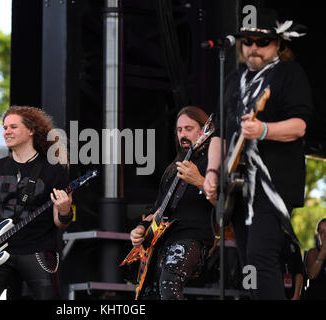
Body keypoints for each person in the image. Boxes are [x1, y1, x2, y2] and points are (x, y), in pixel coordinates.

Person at [203, 8, 313, 299]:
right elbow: (219, 136)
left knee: (262, 254)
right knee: (249, 261)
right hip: (238, 188)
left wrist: (263, 130)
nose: (253, 48)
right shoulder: (233, 80)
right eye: (247, 41)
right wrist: (212, 173)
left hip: (272, 184)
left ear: (278, 44)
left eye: (261, 42)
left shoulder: (288, 73)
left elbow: (299, 125)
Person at [0, 106, 73, 300]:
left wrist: (64, 210)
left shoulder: (53, 170)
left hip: (37, 250)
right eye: (4, 127)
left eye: (13, 127)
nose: (6, 131)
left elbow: (61, 223)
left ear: (31, 130)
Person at [129, 106, 215, 300]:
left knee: (169, 286)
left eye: (188, 129)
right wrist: (141, 228)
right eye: (179, 130)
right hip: (163, 241)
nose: (182, 134)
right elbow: (157, 209)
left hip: (193, 238)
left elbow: (226, 201)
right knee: (149, 294)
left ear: (204, 130)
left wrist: (200, 181)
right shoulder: (171, 169)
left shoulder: (212, 161)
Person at [304, 218, 326, 299]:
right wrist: (323, 252)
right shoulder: (313, 252)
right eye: (322, 232)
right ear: (318, 235)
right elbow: (312, 275)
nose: (325, 235)